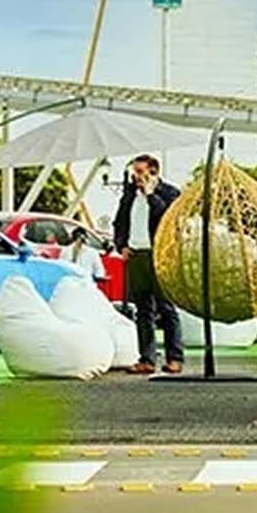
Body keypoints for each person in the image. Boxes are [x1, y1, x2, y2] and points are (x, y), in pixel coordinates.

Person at [113, 154, 183, 374]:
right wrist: (121, 245)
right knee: (143, 310)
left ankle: (174, 358)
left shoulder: (169, 193)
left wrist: (151, 195)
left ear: (154, 172)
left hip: (159, 256)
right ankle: (147, 359)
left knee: (166, 308)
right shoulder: (129, 195)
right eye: (135, 172)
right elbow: (119, 222)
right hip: (136, 256)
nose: (137, 176)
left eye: (141, 172)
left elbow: (168, 218)